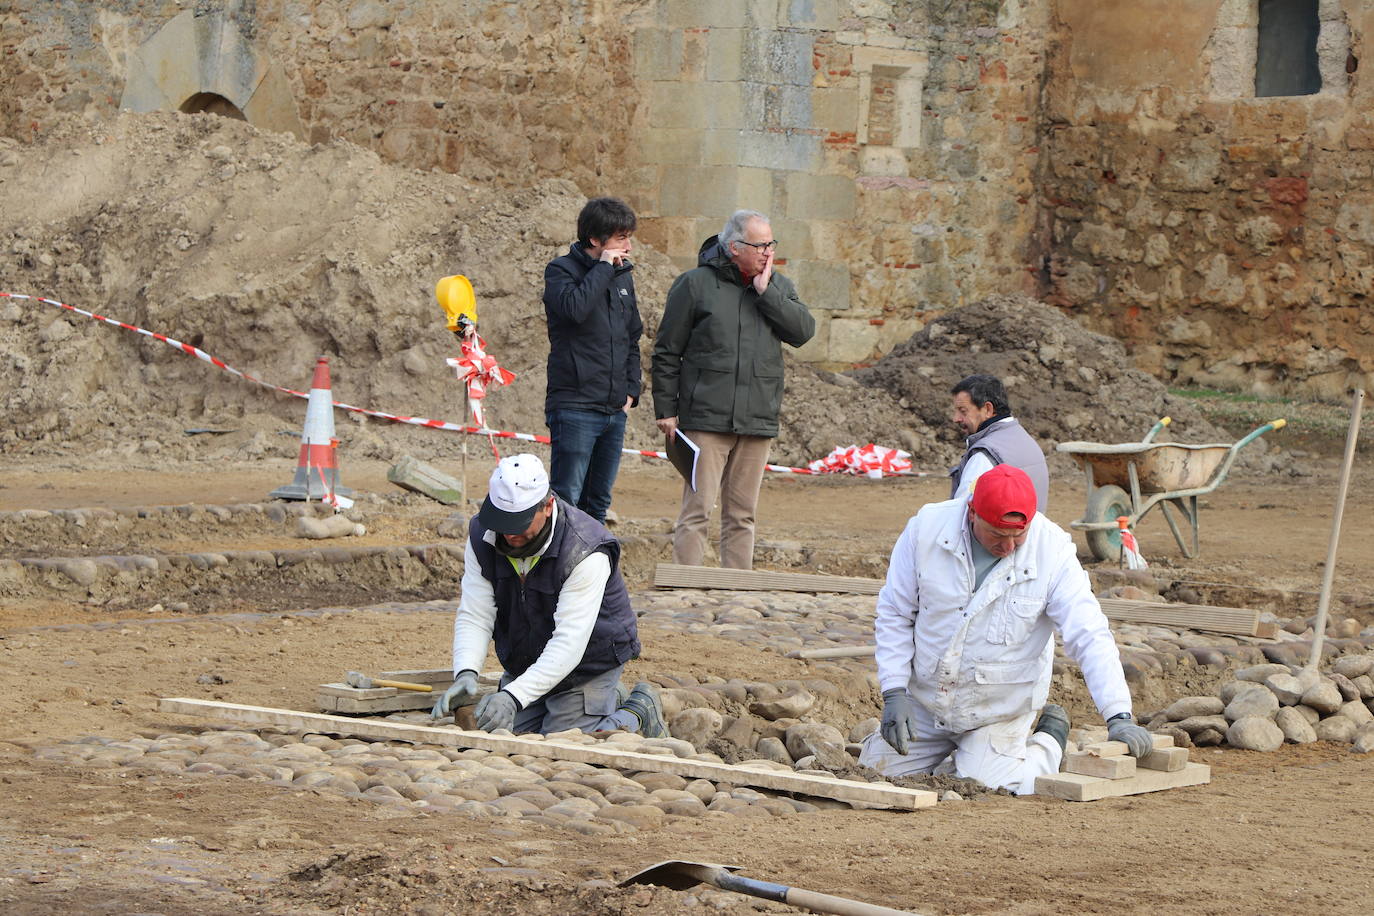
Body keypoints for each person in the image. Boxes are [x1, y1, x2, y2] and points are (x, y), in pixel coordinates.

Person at [859, 464, 1153, 795]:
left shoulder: (1053, 550)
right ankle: (954, 758)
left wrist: (1118, 715)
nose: (1009, 547)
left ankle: (1048, 741)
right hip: (927, 702)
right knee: (874, 775)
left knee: (988, 788)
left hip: (998, 709)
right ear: (972, 512)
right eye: (998, 535)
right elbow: (896, 613)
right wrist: (894, 691)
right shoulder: (926, 530)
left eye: (1019, 535)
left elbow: (1088, 633)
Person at [431, 454, 666, 737]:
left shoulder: (585, 550)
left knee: (564, 744)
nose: (508, 534)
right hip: (528, 658)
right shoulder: (483, 535)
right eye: (502, 521)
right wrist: (466, 671)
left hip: (588, 663)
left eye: (518, 523)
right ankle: (597, 699)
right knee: (497, 733)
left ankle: (634, 710)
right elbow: (475, 611)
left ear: (548, 506)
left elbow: (570, 643)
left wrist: (513, 697)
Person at [651, 209, 816, 569]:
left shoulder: (779, 287)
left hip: (756, 419)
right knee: (697, 509)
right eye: (759, 246)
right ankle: (685, 585)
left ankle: (737, 590)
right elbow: (667, 351)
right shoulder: (694, 284)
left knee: (743, 514)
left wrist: (766, 292)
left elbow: (803, 332)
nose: (767, 253)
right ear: (733, 247)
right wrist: (666, 408)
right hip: (705, 418)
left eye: (771, 244)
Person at [542, 197, 644, 523]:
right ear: (595, 240)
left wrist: (631, 391)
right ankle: (557, 571)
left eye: (628, 237)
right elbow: (575, 310)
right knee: (566, 500)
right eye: (620, 238)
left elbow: (632, 337)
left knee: (597, 504)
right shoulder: (560, 271)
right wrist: (602, 268)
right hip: (575, 406)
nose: (628, 245)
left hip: (614, 410)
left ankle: (591, 571)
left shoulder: (622, 276)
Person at [949, 374, 1049, 512]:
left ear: (988, 410)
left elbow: (960, 513)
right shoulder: (1026, 440)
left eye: (963, 411)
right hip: (1027, 532)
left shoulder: (985, 455)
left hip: (999, 533)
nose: (956, 418)